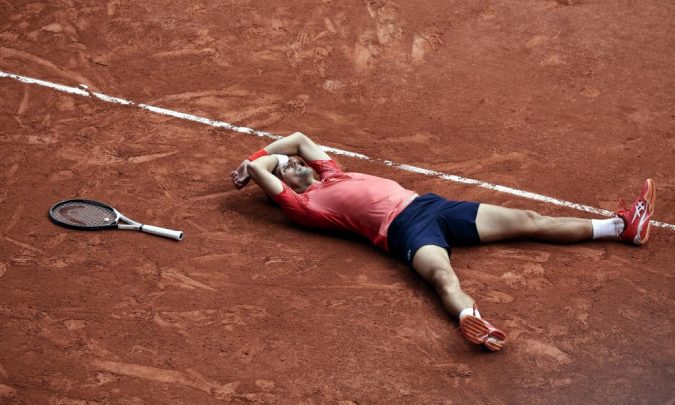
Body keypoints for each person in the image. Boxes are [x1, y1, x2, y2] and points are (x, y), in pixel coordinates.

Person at [230, 132, 656, 352]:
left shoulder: (333, 174)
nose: (298, 161)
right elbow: (268, 167)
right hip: (405, 233)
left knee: (528, 219)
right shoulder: (305, 206)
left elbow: (300, 137)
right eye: (290, 167)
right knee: (441, 277)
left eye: (298, 162)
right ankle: (476, 322)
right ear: (282, 185)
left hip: (434, 207)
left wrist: (260, 157)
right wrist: (263, 165)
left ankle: (621, 228)